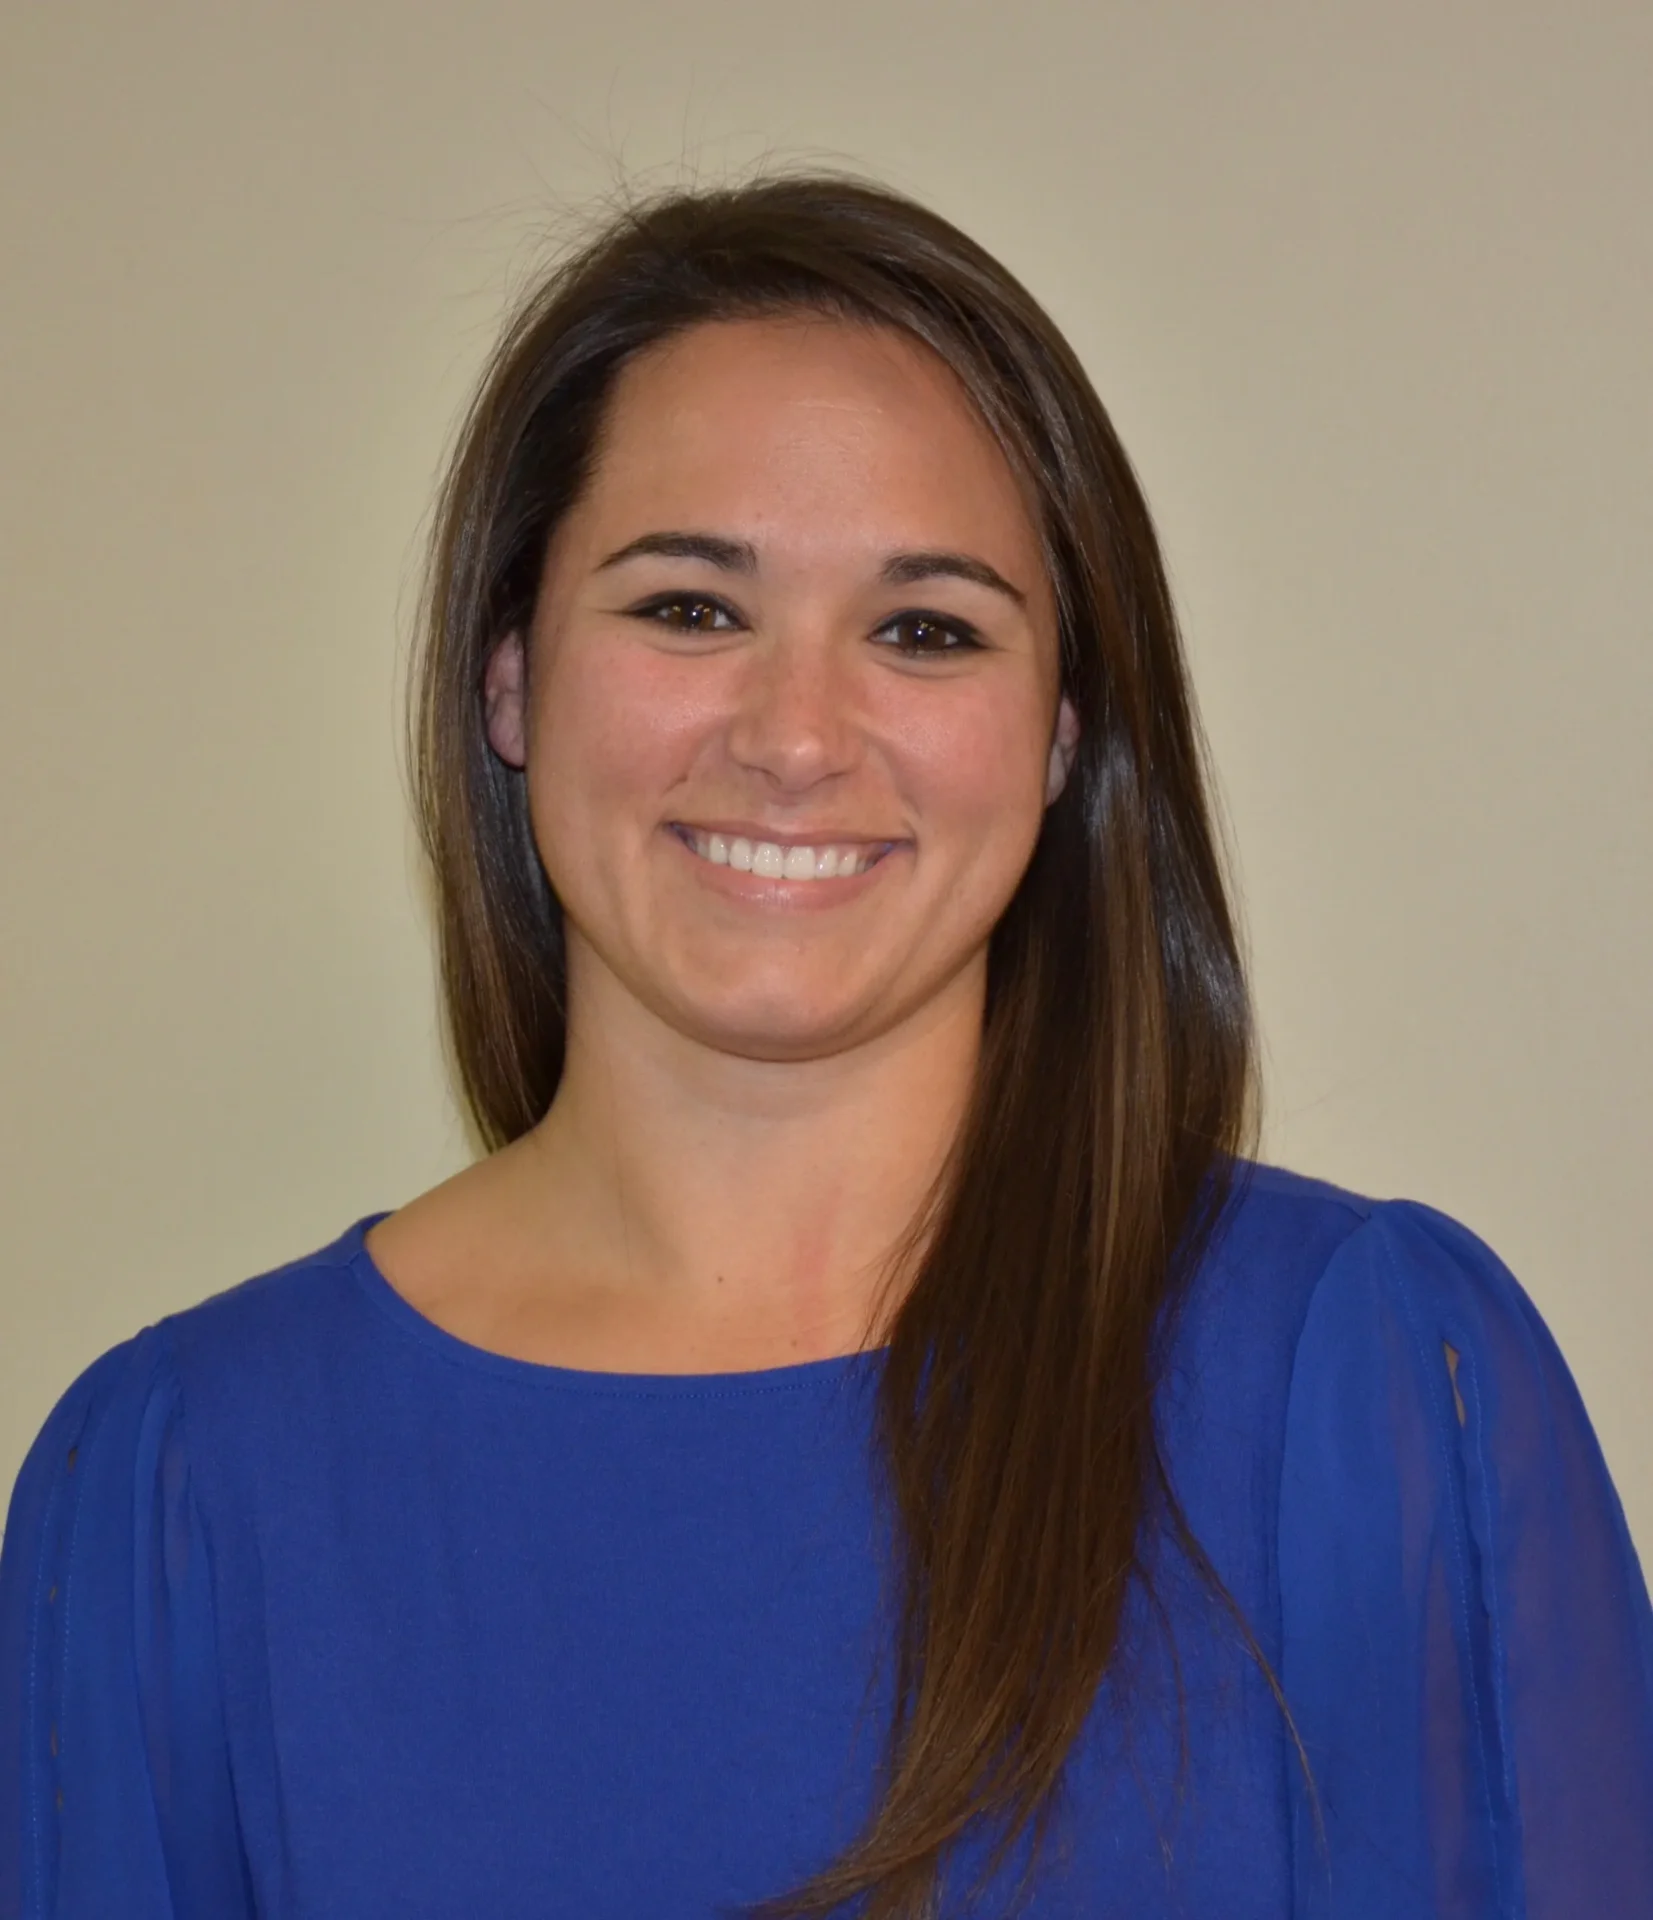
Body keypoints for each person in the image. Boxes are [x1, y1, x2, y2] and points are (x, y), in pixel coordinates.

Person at [3, 173, 1650, 1920]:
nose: (796, 737)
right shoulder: (173, 1493)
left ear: (1060, 740)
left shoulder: (1373, 1394)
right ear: (508, 677)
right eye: (690, 609)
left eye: (925, 630)